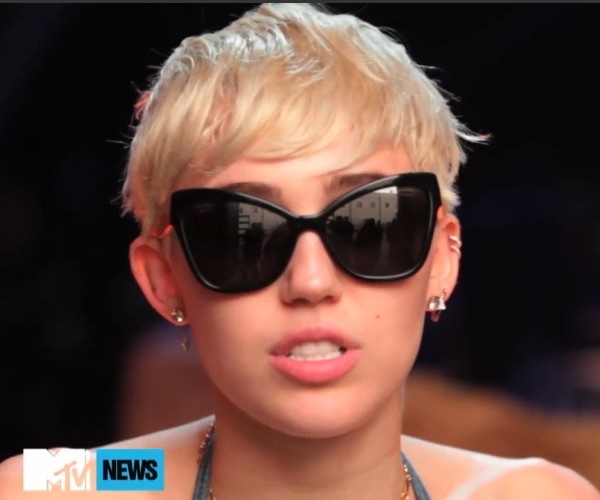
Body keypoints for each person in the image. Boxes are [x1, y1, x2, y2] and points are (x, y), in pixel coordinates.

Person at [1, 3, 599, 499]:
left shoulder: (533, 494)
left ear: (442, 260)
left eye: (371, 225)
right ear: (163, 280)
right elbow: (85, 476)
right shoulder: (53, 486)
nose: (311, 281)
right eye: (242, 233)